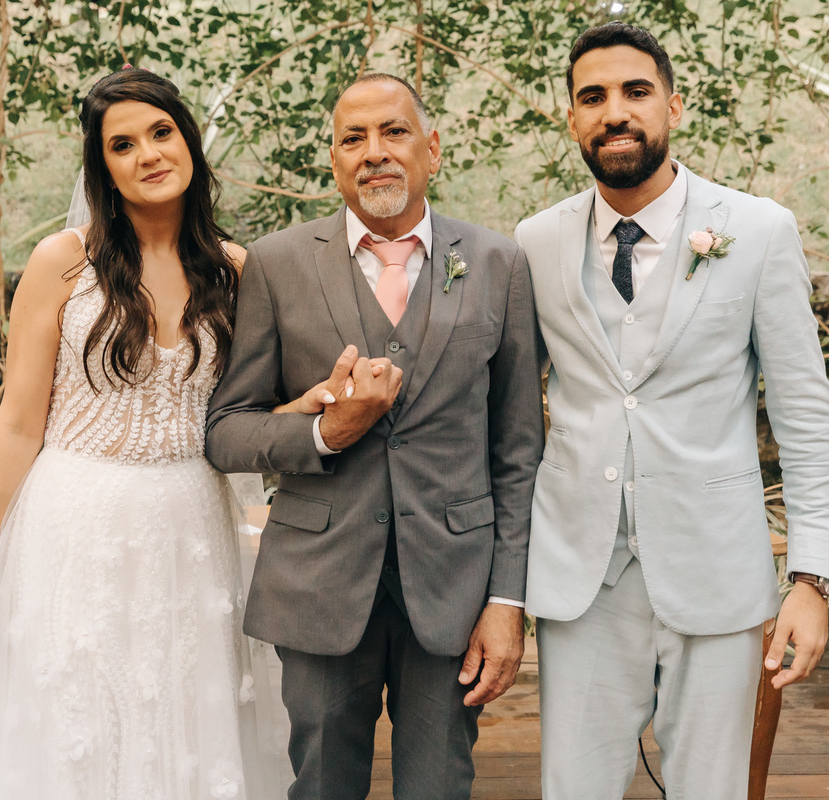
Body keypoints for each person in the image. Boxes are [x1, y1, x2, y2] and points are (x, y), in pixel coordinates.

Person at [0, 68, 292, 799]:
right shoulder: (63, 262)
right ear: (102, 168)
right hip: (75, 524)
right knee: (74, 721)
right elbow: (18, 425)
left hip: (190, 530)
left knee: (184, 722)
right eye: (123, 144)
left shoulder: (238, 270)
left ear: (188, 141)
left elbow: (257, 410)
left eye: (161, 132)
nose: (148, 154)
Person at [514, 22, 829, 800]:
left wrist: (812, 579)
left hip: (717, 572)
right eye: (592, 97)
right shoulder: (534, 242)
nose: (614, 112)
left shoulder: (756, 231)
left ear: (674, 105)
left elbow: (804, 416)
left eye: (636, 91)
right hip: (582, 580)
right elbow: (510, 424)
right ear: (571, 117)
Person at [204, 73, 544, 800]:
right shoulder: (277, 264)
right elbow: (226, 432)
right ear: (333, 160)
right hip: (318, 584)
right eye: (352, 138)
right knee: (321, 784)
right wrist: (326, 434)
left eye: (393, 132)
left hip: (454, 589)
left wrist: (507, 601)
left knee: (439, 786)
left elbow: (519, 454)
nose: (375, 152)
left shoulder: (498, 264)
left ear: (432, 149)